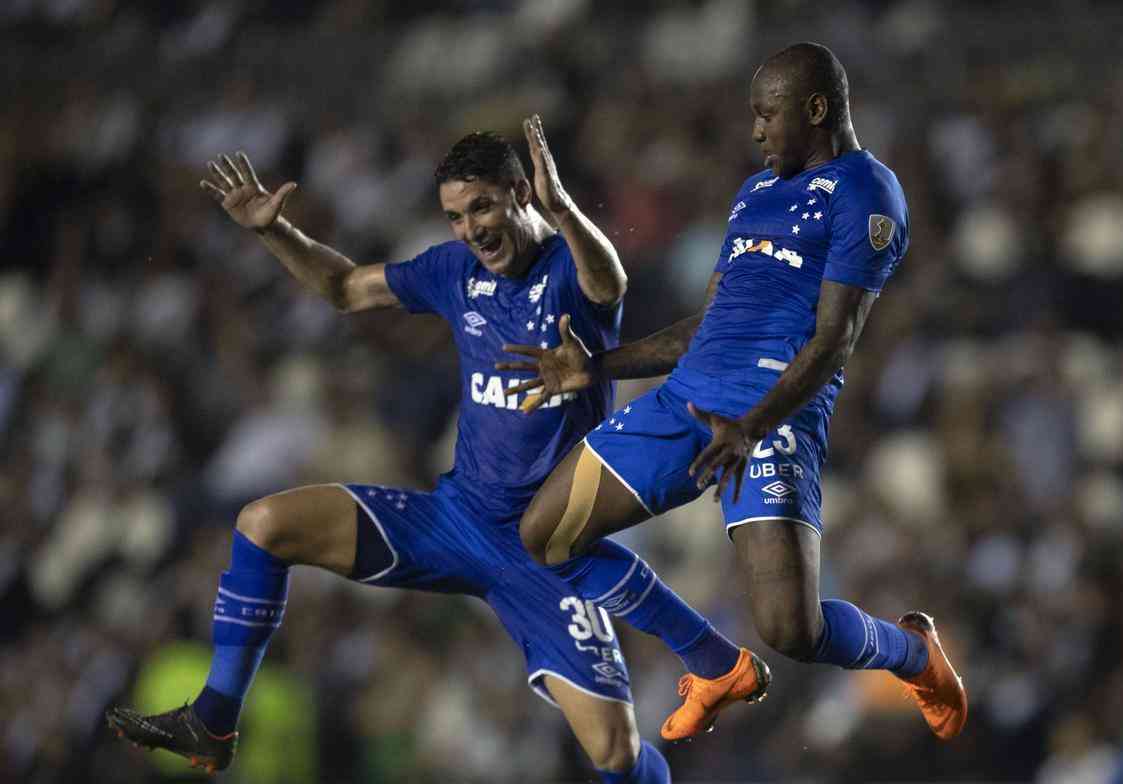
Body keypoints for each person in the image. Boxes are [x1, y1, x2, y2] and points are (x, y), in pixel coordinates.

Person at [105, 120, 770, 781]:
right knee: (263, 524)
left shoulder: (567, 268)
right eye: (455, 216)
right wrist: (274, 231)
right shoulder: (453, 271)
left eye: (481, 206)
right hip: (455, 520)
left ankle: (699, 684)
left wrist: (564, 212)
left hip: (546, 552)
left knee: (614, 754)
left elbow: (609, 286)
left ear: (519, 192)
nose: (471, 228)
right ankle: (215, 719)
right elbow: (344, 289)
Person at [502, 43, 968, 743]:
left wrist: (752, 425)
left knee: (792, 630)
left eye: (766, 114)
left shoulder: (868, 193)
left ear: (815, 110)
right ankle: (714, 665)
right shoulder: (753, 193)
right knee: (544, 536)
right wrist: (595, 366)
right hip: (684, 403)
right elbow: (708, 324)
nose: (754, 130)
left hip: (773, 418)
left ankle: (913, 653)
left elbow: (834, 340)